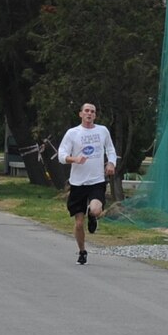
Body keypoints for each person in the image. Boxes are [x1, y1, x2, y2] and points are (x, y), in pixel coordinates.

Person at [56, 102, 117, 265]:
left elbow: (111, 150)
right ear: (80, 114)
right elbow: (61, 155)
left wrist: (111, 163)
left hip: (96, 180)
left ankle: (93, 216)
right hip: (78, 183)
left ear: (95, 116)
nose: (89, 114)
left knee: (96, 209)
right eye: (87, 111)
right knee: (78, 223)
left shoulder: (102, 131)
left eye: (93, 112)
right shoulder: (72, 133)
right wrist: (74, 159)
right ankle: (82, 251)